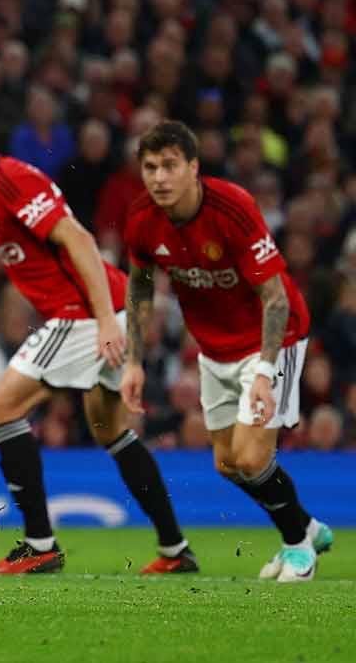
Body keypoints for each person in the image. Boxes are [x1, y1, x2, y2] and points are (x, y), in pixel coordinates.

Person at [0, 89, 194, 575]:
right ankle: (176, 550)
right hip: (106, 309)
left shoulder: (14, 180)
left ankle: (39, 543)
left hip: (87, 313)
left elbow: (80, 239)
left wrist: (107, 320)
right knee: (109, 428)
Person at [121, 121, 333, 581]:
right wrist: (134, 361)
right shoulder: (140, 218)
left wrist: (263, 371)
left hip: (272, 338)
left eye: (170, 166)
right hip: (213, 348)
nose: (159, 177)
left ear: (193, 168)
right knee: (227, 464)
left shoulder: (232, 209)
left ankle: (299, 547)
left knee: (253, 457)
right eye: (150, 167)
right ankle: (307, 525)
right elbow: (138, 289)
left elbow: (274, 298)